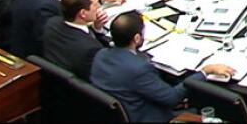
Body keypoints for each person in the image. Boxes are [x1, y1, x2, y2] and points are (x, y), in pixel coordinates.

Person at [92, 12, 234, 122]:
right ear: (136, 38)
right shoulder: (138, 68)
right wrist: (205, 71)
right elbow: (171, 98)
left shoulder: (100, 55)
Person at [43, 0, 109, 79]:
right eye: (95, 5)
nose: (99, 7)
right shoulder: (90, 49)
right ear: (83, 13)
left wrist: (97, 28)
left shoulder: (52, 23)